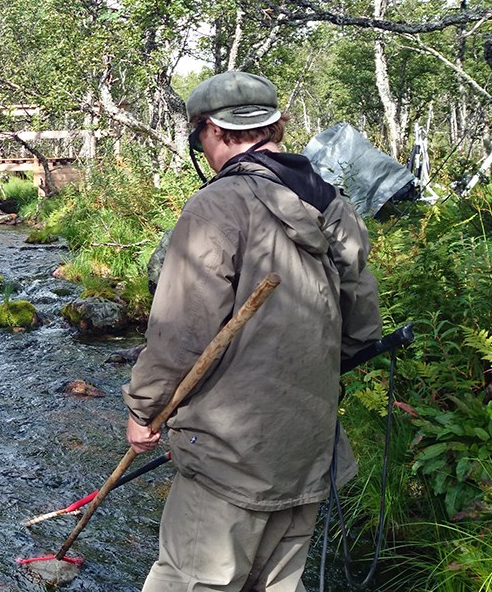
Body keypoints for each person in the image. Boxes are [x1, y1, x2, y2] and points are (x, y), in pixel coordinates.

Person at [123, 71, 382, 591]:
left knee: (192, 581)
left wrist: (143, 410)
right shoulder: (332, 203)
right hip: (308, 444)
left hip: (229, 455)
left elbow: (181, 332)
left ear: (210, 132)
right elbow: (362, 325)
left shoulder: (217, 205)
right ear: (277, 128)